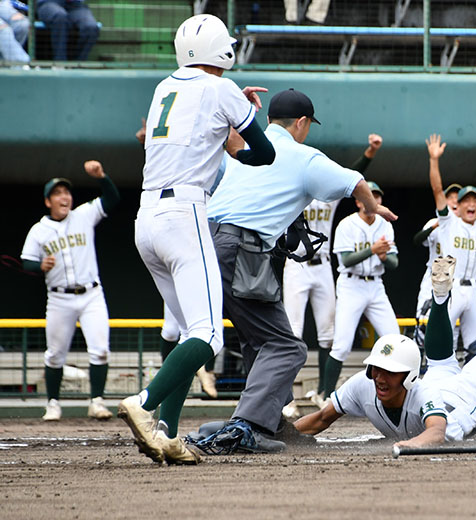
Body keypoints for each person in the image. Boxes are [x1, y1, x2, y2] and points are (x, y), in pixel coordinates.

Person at [189, 88, 397, 455]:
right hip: (241, 250)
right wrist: (372, 208)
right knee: (286, 347)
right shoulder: (302, 155)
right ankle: (247, 426)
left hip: (207, 245)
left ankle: (269, 422)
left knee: (262, 340)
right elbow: (356, 183)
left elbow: (228, 141)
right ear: (301, 123)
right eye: (308, 125)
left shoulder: (244, 150)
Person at [116, 14, 276, 466]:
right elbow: (264, 154)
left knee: (189, 331)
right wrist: (238, 128)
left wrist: (227, 116)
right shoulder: (222, 88)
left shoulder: (165, 87)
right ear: (220, 50)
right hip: (185, 213)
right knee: (208, 336)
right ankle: (145, 404)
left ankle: (166, 432)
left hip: (146, 218)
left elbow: (198, 121)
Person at [293, 204, 476, 448]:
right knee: (440, 363)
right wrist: (277, 433)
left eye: (389, 371)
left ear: (410, 377)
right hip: (435, 382)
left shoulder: (423, 395)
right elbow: (320, 419)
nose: (380, 377)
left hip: (460, 400)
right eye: (377, 368)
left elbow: (436, 433)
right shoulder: (364, 383)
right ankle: (441, 298)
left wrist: (407, 446)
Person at [282, 133, 383, 413]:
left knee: (328, 334)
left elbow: (353, 176)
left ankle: (324, 393)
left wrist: (370, 153)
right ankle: (286, 398)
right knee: (293, 333)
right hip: (296, 266)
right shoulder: (292, 194)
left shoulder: (328, 200)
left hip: (323, 266)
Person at [21, 160, 120, 421]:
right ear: (48, 201)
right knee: (55, 355)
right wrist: (39, 264)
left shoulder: (83, 215)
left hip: (91, 295)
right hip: (59, 298)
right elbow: (25, 261)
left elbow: (111, 199)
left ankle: (96, 402)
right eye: (57, 194)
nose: (64, 197)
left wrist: (102, 177)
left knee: (100, 349)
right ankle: (53, 404)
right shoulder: (39, 230)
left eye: (66, 192)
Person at [320, 180, 400, 399]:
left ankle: (399, 392)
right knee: (342, 346)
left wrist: (384, 257)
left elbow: (394, 263)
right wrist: (372, 250)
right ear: (358, 201)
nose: (373, 200)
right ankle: (327, 397)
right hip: (351, 285)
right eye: (368, 196)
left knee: (394, 338)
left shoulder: (385, 225)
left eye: (377, 196)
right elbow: (346, 260)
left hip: (375, 285)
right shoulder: (347, 224)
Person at [426, 134, 476, 361]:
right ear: (458, 206)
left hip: (474, 290)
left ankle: (467, 390)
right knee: (443, 341)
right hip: (452, 287)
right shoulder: (449, 221)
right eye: (466, 201)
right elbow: (437, 189)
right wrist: (434, 160)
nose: (472, 204)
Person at [411, 182, 461, 356]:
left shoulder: (464, 225)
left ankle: (448, 362)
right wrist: (435, 226)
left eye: (457, 198)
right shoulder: (435, 222)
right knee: (423, 319)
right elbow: (417, 240)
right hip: (432, 276)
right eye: (450, 198)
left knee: (451, 324)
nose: (454, 201)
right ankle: (422, 363)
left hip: (455, 279)